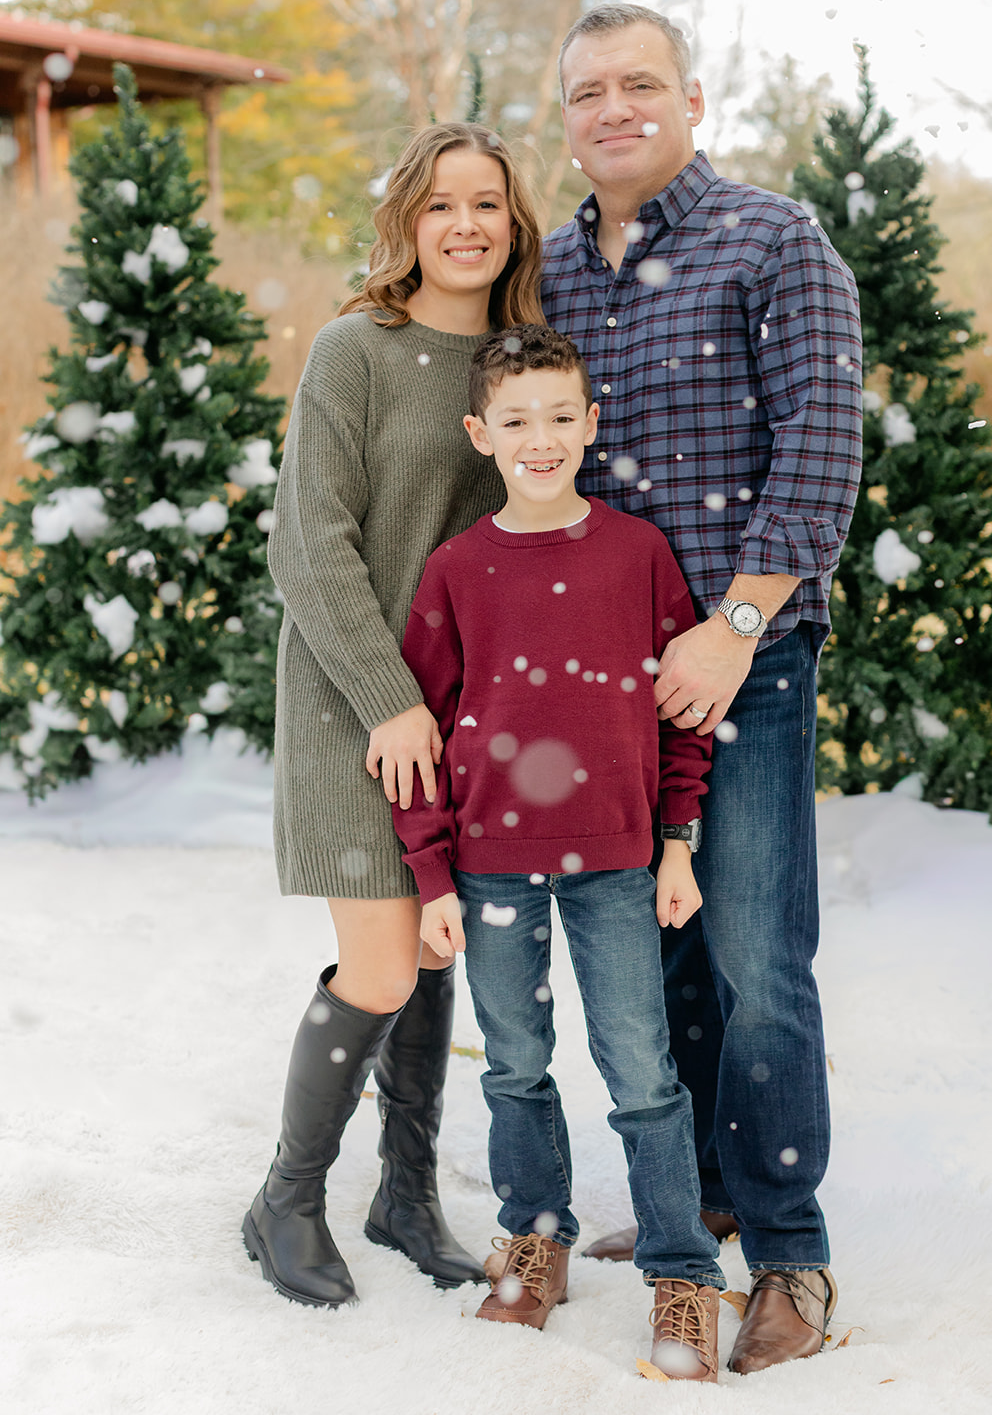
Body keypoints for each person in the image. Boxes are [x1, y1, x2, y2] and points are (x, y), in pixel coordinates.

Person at [540, 3, 864, 1374]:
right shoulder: (548, 271)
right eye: (586, 92)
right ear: (565, 119)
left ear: (688, 98)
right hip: (600, 675)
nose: (612, 109)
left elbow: (819, 446)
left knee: (750, 947)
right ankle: (707, 1194)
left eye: (637, 84)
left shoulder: (770, 238)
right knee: (659, 942)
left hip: (745, 657)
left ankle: (789, 1252)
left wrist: (732, 624)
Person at [242, 122, 544, 1308]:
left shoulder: (520, 369)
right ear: (406, 221)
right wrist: (390, 700)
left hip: (466, 717)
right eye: (440, 205)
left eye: (488, 204)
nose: (465, 225)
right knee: (376, 966)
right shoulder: (353, 349)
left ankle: (404, 1193)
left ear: (513, 223)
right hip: (350, 697)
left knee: (430, 953)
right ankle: (287, 1198)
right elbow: (307, 547)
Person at [392, 323, 727, 1382]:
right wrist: (431, 877)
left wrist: (678, 846)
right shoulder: (455, 571)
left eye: (558, 417)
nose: (540, 439)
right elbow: (422, 734)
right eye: (516, 420)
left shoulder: (637, 555)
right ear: (479, 432)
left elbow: (680, 721)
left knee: (641, 1070)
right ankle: (535, 1239)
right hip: (489, 868)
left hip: (619, 864)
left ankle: (681, 1272)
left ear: (590, 422)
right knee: (515, 1063)